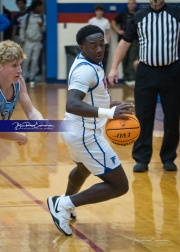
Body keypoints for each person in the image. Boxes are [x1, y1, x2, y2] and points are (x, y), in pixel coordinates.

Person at [47, 25, 134, 236]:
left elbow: (91, 97)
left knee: (83, 169)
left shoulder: (90, 62)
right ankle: (64, 204)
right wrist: (110, 114)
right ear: (82, 47)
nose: (99, 50)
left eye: (101, 44)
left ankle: (66, 206)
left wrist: (110, 104)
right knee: (120, 185)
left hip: (72, 129)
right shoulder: (86, 70)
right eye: (92, 46)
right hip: (85, 135)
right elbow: (72, 103)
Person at [108, 0, 180, 172]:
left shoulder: (176, 13)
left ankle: (168, 158)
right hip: (146, 73)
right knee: (143, 116)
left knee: (172, 117)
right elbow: (125, 42)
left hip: (172, 72)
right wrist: (113, 67)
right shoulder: (139, 16)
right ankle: (142, 159)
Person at [0, 40, 44, 144]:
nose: (20, 70)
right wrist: (20, 137)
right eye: (14, 65)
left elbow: (30, 111)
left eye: (20, 64)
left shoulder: (19, 81)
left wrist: (40, 122)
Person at [111, 0, 138, 88]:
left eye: (132, 3)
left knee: (132, 59)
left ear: (135, 5)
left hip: (135, 41)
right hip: (123, 41)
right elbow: (113, 22)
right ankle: (126, 79)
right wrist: (118, 31)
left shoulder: (138, 14)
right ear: (127, 5)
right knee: (124, 60)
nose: (131, 5)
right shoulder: (122, 14)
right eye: (129, 4)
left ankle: (131, 79)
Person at [19, 0, 46, 87]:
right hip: (28, 41)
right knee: (26, 60)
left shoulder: (43, 17)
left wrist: (41, 26)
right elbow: (22, 28)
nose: (41, 8)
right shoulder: (27, 17)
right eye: (40, 6)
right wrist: (23, 39)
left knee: (34, 60)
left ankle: (32, 77)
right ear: (35, 7)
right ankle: (24, 77)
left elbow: (44, 30)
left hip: (37, 42)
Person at [88, 4, 110, 73]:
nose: (99, 12)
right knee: (93, 61)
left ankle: (102, 78)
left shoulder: (106, 21)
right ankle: (94, 77)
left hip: (103, 44)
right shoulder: (91, 21)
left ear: (103, 12)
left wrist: (108, 43)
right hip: (93, 44)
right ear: (95, 12)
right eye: (98, 11)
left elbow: (108, 33)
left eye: (101, 11)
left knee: (103, 62)